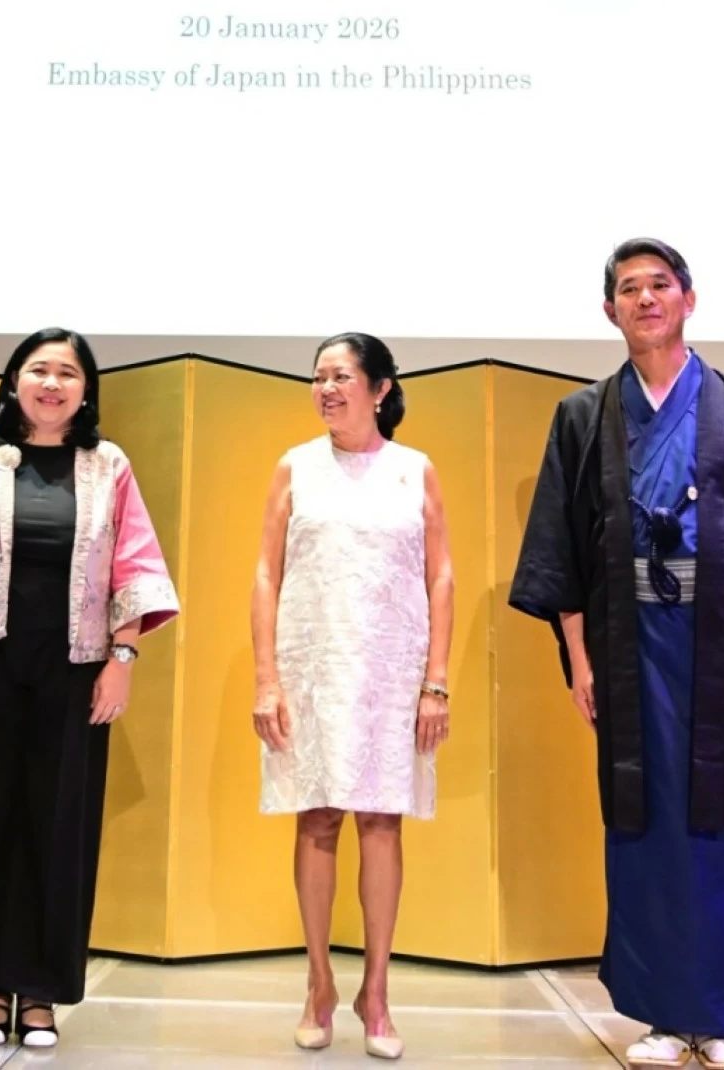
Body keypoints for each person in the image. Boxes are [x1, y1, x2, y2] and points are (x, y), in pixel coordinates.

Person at [509, 241, 724, 1070]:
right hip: (628, 646)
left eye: (660, 285)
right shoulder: (584, 415)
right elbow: (563, 549)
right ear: (609, 311)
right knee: (644, 822)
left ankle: (722, 1017)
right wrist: (578, 657)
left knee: (722, 823)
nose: (645, 299)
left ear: (689, 300)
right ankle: (661, 1014)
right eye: (629, 289)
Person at [0, 327, 179, 1048]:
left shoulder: (106, 463)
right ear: (14, 380)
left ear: (86, 391)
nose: (52, 384)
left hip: (74, 667)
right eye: (39, 369)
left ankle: (41, 992)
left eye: (68, 373)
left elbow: (136, 568)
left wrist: (122, 659)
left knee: (58, 829)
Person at [252, 332, 454, 1061]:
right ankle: (317, 985)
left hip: (392, 669)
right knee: (316, 817)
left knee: (381, 821)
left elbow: (440, 577)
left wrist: (436, 680)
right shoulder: (295, 468)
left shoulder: (414, 471)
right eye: (319, 378)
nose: (328, 389)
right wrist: (266, 676)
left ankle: (376, 991)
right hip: (314, 664)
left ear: (381, 388)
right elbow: (267, 574)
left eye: (342, 377)